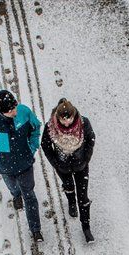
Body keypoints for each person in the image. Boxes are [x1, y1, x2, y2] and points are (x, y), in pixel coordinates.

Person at [0, 89, 44, 243]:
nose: (15, 112)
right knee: (13, 186)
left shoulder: (24, 112)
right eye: (11, 110)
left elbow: (36, 127)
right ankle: (15, 195)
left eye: (15, 107)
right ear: (1, 112)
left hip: (25, 164)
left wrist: (32, 146)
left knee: (30, 195)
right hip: (6, 167)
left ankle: (36, 230)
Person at [41, 98, 96, 243]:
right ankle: (71, 202)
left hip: (81, 165)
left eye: (69, 119)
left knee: (83, 197)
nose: (67, 123)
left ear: (74, 116)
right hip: (62, 166)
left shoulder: (84, 123)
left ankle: (86, 227)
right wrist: (56, 163)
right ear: (58, 117)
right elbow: (45, 146)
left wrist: (86, 159)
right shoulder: (50, 127)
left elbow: (91, 139)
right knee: (69, 186)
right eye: (63, 119)